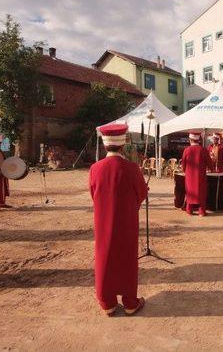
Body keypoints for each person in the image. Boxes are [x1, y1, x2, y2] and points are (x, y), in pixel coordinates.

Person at [90, 124, 147, 316]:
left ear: (105, 145)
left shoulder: (95, 168)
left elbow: (93, 194)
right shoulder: (132, 168)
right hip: (127, 220)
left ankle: (107, 303)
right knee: (127, 258)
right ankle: (130, 303)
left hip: (103, 220)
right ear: (123, 145)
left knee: (104, 256)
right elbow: (141, 194)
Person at [180, 132, 212, 216]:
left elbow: (183, 164)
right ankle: (201, 211)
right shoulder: (203, 150)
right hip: (200, 176)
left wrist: (184, 170)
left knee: (190, 192)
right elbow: (210, 163)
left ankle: (189, 209)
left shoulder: (187, 150)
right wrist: (211, 169)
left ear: (190, 140)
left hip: (189, 176)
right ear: (199, 140)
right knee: (201, 192)